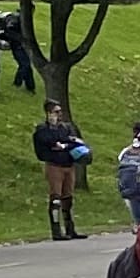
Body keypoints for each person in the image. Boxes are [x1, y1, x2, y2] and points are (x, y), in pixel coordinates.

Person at [31, 100, 89, 240]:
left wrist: (63, 145)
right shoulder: (43, 129)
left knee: (68, 197)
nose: (59, 114)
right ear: (49, 113)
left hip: (68, 164)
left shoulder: (66, 128)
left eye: (60, 111)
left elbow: (73, 141)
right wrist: (58, 143)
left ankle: (70, 228)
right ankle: (56, 230)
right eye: (56, 112)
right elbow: (46, 141)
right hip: (54, 165)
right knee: (55, 197)